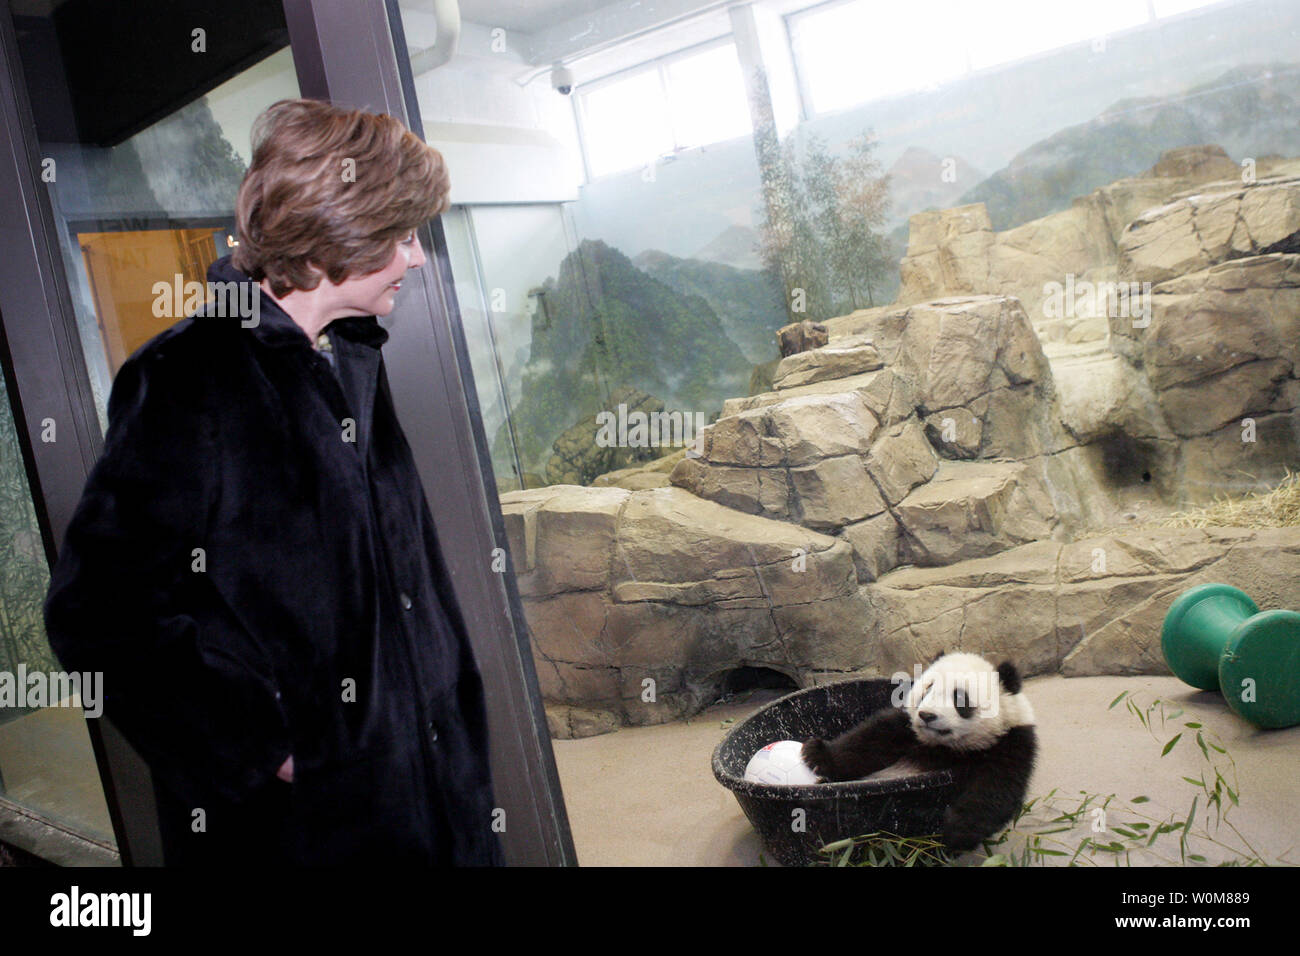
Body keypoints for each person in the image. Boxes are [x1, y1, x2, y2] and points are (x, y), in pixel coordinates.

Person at [43, 98, 504, 866]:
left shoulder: (349, 354)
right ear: (336, 236)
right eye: (400, 235)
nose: (417, 257)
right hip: (308, 838)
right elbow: (95, 616)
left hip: (431, 805)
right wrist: (266, 749)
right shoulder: (191, 377)